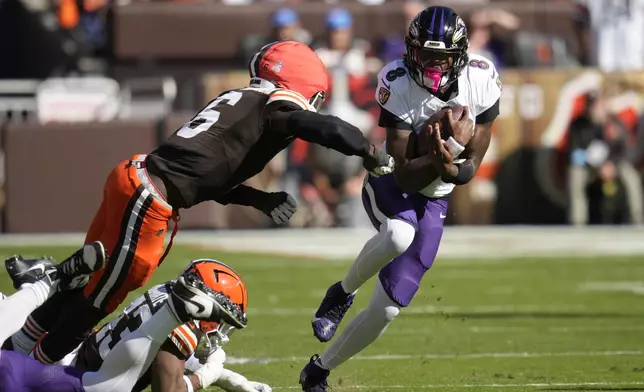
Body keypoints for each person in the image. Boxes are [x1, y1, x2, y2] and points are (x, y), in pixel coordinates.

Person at [11, 40, 395, 367]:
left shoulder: (242, 101)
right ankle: (32, 374)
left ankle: (18, 348)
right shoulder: (275, 109)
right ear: (303, 88)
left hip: (137, 177)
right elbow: (321, 127)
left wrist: (259, 199)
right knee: (97, 301)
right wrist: (368, 150)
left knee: (86, 280)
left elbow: (206, 178)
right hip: (150, 198)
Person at [299, 6, 502, 391]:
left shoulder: (481, 79)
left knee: (388, 309)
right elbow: (403, 169)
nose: (431, 66)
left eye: (441, 58)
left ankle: (318, 372)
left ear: (458, 57)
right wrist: (445, 152)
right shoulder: (397, 80)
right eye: (424, 56)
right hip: (392, 185)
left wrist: (454, 167)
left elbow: (473, 164)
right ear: (411, 52)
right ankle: (341, 294)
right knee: (397, 235)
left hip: (437, 198)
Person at [0, 245, 249, 392]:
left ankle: (43, 286)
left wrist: (221, 375)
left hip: (75, 358)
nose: (221, 328)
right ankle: (40, 285)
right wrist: (207, 377)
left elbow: (156, 356)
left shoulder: (167, 291)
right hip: (75, 373)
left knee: (18, 348)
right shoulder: (180, 326)